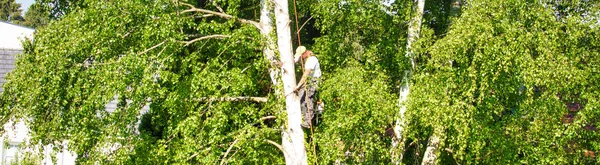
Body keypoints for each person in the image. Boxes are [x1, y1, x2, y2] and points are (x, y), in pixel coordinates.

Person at [293, 46, 321, 128]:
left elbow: (306, 74)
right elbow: (295, 60)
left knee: (307, 99)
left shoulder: (312, 60)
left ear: (304, 53)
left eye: (301, 56)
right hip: (309, 81)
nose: (300, 58)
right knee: (301, 97)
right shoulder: (306, 58)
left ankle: (309, 121)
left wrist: (298, 86)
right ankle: (304, 117)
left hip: (313, 81)